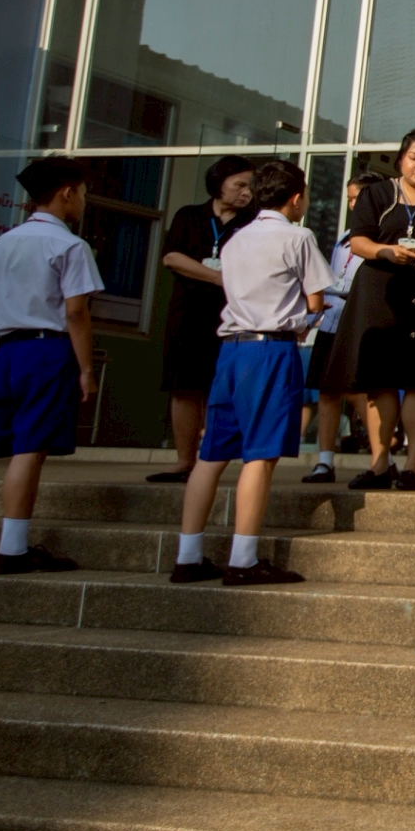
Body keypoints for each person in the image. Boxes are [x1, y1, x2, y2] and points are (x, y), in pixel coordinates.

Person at [171, 161, 331, 587]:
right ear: (296, 198)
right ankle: (243, 559)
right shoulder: (298, 236)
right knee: (260, 456)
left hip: (231, 350)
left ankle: (188, 556)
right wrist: (305, 316)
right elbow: (315, 299)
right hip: (270, 351)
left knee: (211, 456)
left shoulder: (237, 238)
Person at [320, 131, 415, 492]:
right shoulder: (378, 194)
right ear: (401, 159)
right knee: (380, 380)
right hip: (382, 293)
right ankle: (380, 462)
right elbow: (358, 241)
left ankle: (413, 464)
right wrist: (385, 251)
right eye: (414, 157)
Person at [0, 158, 101, 574]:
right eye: (84, 193)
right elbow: (76, 312)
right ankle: (13, 548)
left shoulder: (4, 242)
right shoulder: (70, 246)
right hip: (46, 350)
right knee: (29, 447)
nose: (84, 201)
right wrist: (86, 368)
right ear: (67, 193)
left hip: (6, 351)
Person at [150, 155, 255, 483]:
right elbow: (172, 257)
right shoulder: (189, 216)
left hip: (233, 316)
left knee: (221, 388)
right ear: (218, 183)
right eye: (239, 185)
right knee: (184, 387)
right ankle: (185, 461)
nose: (246, 192)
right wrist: (221, 278)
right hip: (188, 313)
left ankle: (212, 461)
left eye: (251, 187)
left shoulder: (252, 223)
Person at [302, 171, 370, 485]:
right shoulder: (344, 237)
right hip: (332, 320)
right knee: (327, 391)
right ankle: (324, 462)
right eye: (350, 199)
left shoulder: (380, 236)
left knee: (357, 391)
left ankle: (383, 457)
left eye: (358, 198)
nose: (353, 205)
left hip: (357, 324)